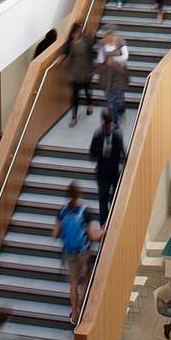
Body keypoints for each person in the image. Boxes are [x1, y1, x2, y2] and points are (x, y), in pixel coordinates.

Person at [55, 182, 104, 315]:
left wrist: (65, 233)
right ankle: (83, 304)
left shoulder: (62, 211)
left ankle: (74, 313)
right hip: (83, 251)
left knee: (73, 281)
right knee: (85, 278)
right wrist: (104, 231)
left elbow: (54, 234)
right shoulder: (85, 212)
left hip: (69, 252)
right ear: (79, 194)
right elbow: (93, 236)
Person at [89, 112, 127, 223]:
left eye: (111, 126)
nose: (109, 129)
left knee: (114, 197)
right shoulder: (98, 135)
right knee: (103, 198)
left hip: (114, 171)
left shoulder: (117, 136)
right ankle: (103, 222)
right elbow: (92, 152)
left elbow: (123, 153)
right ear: (103, 126)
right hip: (102, 172)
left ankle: (113, 219)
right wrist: (100, 153)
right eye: (107, 127)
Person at [67, 22, 98, 127]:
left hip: (86, 70)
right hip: (75, 71)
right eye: (76, 32)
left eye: (79, 31)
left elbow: (92, 55)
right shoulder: (70, 42)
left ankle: (90, 104)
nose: (77, 33)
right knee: (75, 95)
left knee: (86, 89)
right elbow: (67, 53)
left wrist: (92, 70)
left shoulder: (86, 40)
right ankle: (74, 118)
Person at [99, 30, 132, 122]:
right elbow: (100, 59)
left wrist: (114, 60)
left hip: (118, 76)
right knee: (110, 101)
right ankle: (114, 121)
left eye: (110, 37)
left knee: (119, 97)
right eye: (106, 37)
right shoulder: (102, 45)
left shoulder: (121, 42)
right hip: (107, 75)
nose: (107, 39)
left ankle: (121, 108)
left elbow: (125, 56)